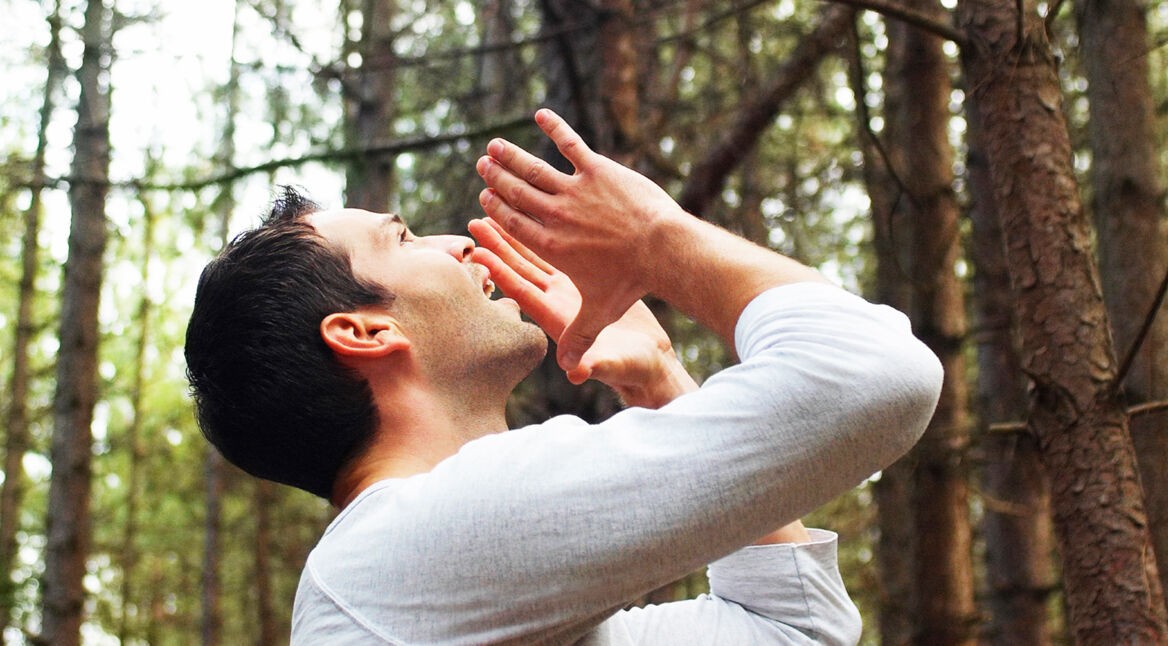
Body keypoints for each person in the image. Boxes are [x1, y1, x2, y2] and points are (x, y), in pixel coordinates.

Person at [184, 109, 942, 645]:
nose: (461, 246)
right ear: (364, 332)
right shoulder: (418, 544)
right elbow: (877, 374)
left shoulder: (412, 577)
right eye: (404, 238)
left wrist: (659, 380)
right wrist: (654, 238)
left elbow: (792, 632)